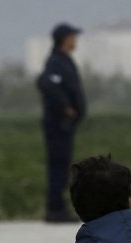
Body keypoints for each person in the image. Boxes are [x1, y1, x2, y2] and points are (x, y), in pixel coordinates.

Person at [37, 23, 86, 223]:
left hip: (65, 125)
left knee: (62, 164)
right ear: (65, 38)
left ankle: (58, 206)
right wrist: (66, 107)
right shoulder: (56, 61)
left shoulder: (64, 60)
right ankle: (55, 208)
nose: (75, 40)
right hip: (58, 123)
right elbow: (47, 84)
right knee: (57, 164)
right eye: (73, 36)